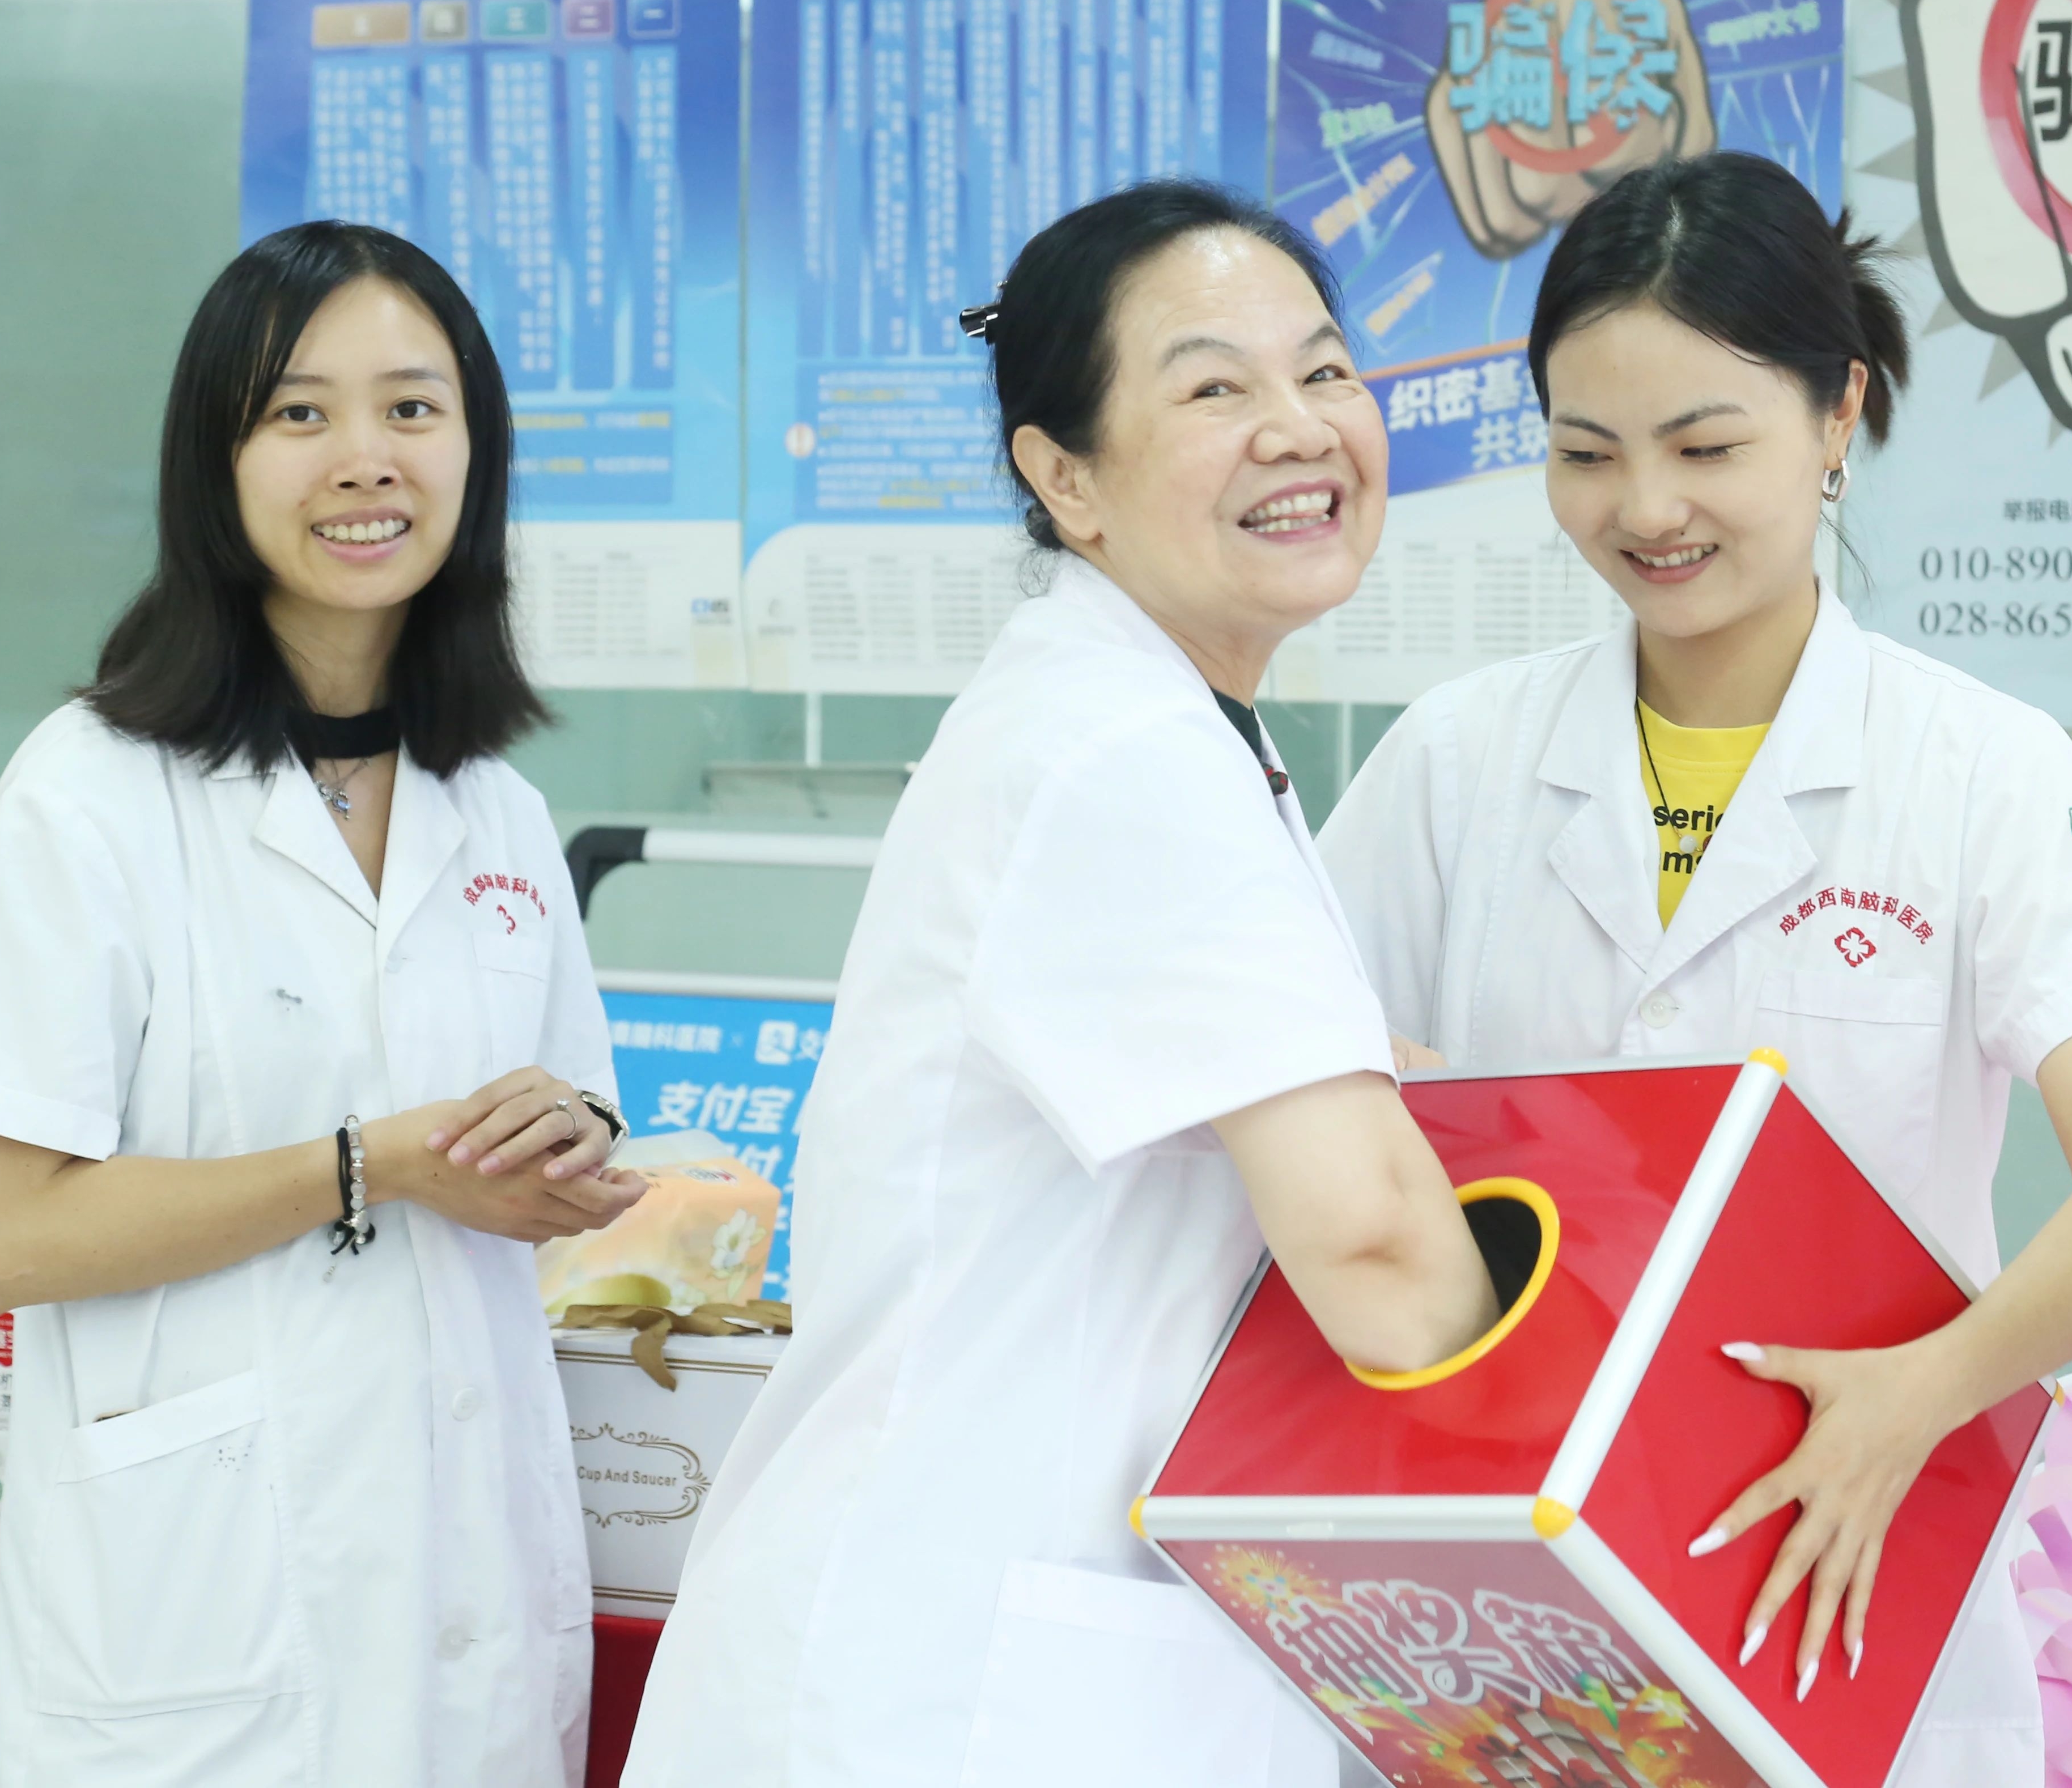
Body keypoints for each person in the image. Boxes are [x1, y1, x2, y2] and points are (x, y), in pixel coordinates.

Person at [1317, 151, 2072, 1780]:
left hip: (1858, 1572)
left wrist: (1921, 1396)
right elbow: (1305, 1103)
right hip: (1517, 1583)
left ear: (1837, 411)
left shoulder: (1976, 768)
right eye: (1587, 454)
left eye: (1706, 446)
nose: (1647, 511)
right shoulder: (1454, 761)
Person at [621, 181, 1502, 1787]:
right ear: (1065, 477)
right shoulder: (1119, 749)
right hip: (948, 1689)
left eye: (1324, 369)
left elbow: (1341, 1081)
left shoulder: (1158, 722)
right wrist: (1604, 1503)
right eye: (1214, 389)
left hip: (1031, 1649)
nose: (1299, 427)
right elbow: (1377, 1248)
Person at [0, 222, 646, 1784]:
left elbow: (563, 1121)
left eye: (412, 408)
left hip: (467, 1598)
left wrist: (566, 1142)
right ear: (217, 463)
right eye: (300, 413)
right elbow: (6, 1237)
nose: (365, 459)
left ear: (474, 452)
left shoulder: (497, 808)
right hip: (201, 1633)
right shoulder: (91, 795)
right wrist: (370, 1165)